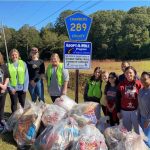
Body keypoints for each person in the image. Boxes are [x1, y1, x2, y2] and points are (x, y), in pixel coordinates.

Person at [116, 66, 142, 134]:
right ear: (124, 74)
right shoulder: (121, 84)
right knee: (127, 132)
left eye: (130, 73)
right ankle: (129, 144)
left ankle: (139, 144)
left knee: (138, 131)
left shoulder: (139, 84)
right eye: (126, 73)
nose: (128, 74)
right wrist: (118, 111)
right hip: (124, 111)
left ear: (134, 73)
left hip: (136, 111)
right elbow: (117, 98)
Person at [8, 49, 29, 113]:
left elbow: (26, 76)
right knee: (14, 104)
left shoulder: (23, 63)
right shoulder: (8, 65)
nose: (14, 56)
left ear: (18, 55)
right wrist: (11, 88)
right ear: (10, 56)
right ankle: (14, 118)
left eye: (15, 54)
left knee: (23, 103)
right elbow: (6, 78)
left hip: (22, 88)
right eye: (12, 55)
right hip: (13, 89)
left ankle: (23, 117)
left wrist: (25, 88)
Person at [138, 71, 150, 147]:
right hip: (141, 118)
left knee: (146, 140)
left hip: (148, 120)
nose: (142, 81)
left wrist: (148, 120)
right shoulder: (141, 90)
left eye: (145, 79)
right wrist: (138, 117)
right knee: (142, 138)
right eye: (141, 79)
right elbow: (139, 105)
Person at [0, 52, 10, 130]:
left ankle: (2, 120)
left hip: (3, 91)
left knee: (2, 106)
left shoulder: (4, 66)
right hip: (1, 88)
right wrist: (1, 86)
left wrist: (5, 86)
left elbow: (7, 76)